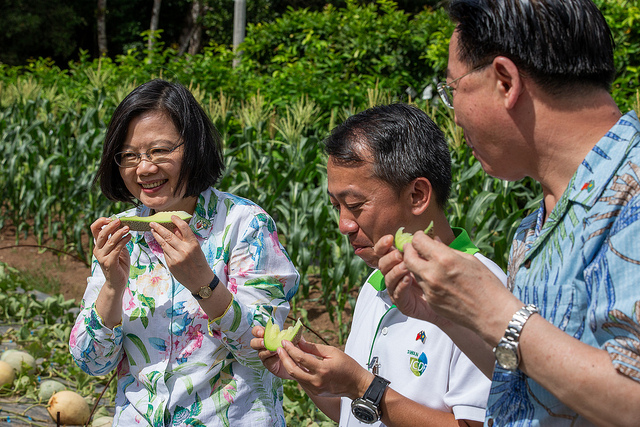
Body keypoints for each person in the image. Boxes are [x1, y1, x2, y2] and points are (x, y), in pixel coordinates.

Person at [375, 1, 640, 426]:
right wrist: (447, 314)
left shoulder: (632, 192)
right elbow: (531, 383)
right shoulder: (538, 223)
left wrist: (497, 313)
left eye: (453, 90)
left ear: (504, 81)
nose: (455, 118)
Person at [251, 103, 507, 426]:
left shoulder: (483, 289)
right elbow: (359, 414)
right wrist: (310, 375)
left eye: (355, 205)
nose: (344, 224)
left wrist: (362, 386)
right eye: (336, 207)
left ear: (417, 195)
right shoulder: (375, 285)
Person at [69, 79, 300, 426]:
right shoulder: (120, 233)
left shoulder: (243, 225)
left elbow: (267, 354)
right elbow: (91, 362)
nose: (144, 168)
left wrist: (203, 283)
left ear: (193, 147)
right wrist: (113, 286)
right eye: (129, 156)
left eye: (160, 151)